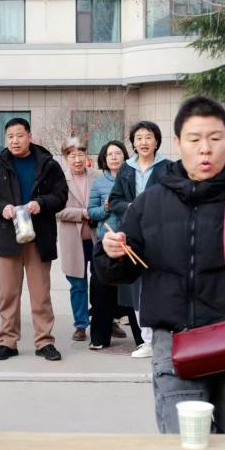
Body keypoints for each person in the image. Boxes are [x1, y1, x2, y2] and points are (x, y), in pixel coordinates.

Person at [95, 96, 225, 434]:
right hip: (173, 339)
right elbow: (118, 268)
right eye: (195, 139)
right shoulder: (150, 202)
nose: (205, 149)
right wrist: (112, 252)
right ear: (178, 143)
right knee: (185, 445)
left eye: (215, 138)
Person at [0, 117, 68, 362]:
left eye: (19, 135)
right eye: (10, 136)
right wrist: (2, 208)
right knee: (8, 294)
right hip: (9, 237)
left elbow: (61, 195)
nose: (15, 141)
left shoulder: (48, 164)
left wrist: (41, 203)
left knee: (41, 294)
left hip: (39, 238)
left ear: (29, 136)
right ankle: (7, 342)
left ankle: (44, 342)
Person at [108, 120, 172, 357]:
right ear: (133, 143)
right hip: (133, 235)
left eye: (148, 137)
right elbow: (114, 200)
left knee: (163, 284)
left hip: (162, 235)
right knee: (137, 288)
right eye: (139, 138)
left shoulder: (168, 167)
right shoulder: (126, 168)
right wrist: (131, 207)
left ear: (156, 141)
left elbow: (176, 197)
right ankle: (147, 341)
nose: (144, 142)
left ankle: (165, 338)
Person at [87, 140, 144, 350]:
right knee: (102, 293)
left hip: (131, 242)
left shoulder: (133, 177)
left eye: (118, 153)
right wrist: (105, 208)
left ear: (125, 156)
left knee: (133, 292)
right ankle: (99, 338)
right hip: (106, 242)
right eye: (109, 154)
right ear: (104, 158)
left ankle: (142, 340)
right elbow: (91, 212)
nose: (113, 157)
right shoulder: (100, 182)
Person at [56, 137, 99, 342]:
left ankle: (105, 319)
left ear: (86, 156)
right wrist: (82, 213)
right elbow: (57, 210)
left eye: (80, 154)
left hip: (97, 238)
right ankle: (81, 324)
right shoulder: (59, 180)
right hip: (73, 241)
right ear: (66, 158)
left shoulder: (97, 176)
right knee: (78, 284)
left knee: (101, 282)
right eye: (72, 155)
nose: (77, 159)